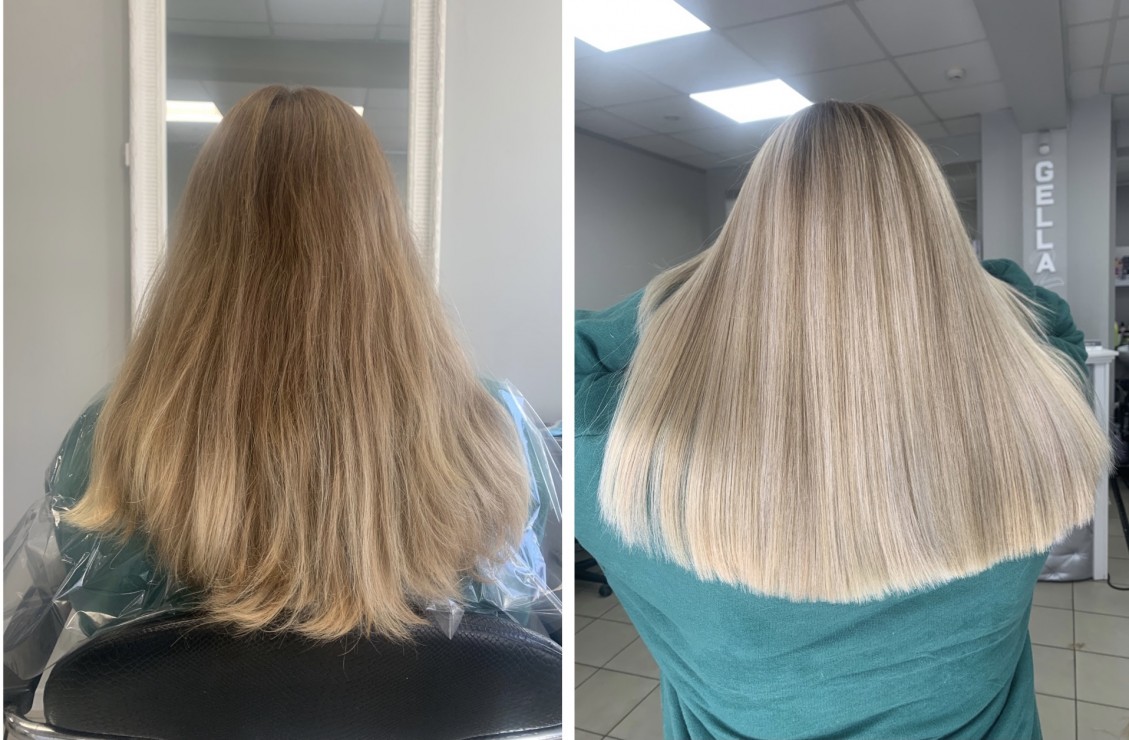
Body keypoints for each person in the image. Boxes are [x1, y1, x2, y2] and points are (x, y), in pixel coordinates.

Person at [4, 86, 560, 702]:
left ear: (200, 236)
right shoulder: (488, 426)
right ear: (383, 228)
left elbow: (49, 661)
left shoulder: (112, 433)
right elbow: (521, 648)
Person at [575, 101, 1108, 740]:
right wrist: (940, 277)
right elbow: (1045, 314)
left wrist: (697, 292)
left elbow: (575, 349)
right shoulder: (1039, 407)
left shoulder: (616, 455)